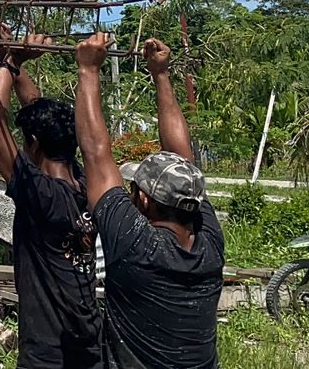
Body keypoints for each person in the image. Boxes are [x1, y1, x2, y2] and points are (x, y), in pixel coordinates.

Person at [75, 35, 223, 369]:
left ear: (142, 198)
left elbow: (97, 155)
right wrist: (161, 75)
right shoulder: (209, 242)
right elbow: (184, 163)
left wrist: (88, 70)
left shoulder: (136, 245)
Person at [0, 25, 101, 369]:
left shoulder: (40, 194)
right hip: (89, 343)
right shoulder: (84, 181)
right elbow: (38, 108)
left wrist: (14, 59)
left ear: (33, 144)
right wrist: (7, 61)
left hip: (48, 353)